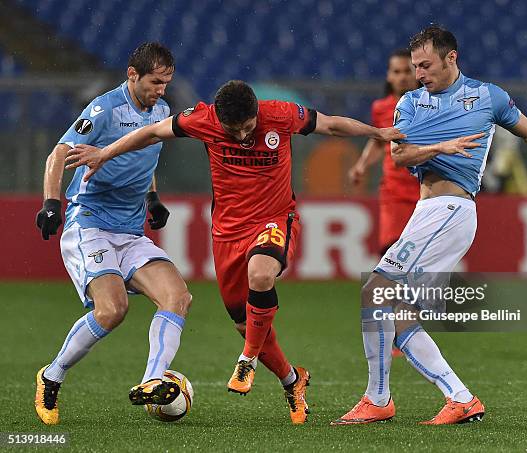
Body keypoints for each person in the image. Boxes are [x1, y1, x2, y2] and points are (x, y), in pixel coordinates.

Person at [64, 80, 480, 423]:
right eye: (235, 131)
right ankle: (291, 379)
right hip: (227, 232)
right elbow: (151, 133)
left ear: (256, 114)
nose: (243, 136)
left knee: (261, 276)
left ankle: (245, 361)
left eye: (248, 127)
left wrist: (377, 133)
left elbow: (332, 125)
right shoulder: (203, 120)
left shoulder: (280, 114)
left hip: (274, 218)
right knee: (246, 323)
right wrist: (104, 151)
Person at [332, 25, 527, 426]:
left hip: (452, 209)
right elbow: (399, 156)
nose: (419, 73)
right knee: (401, 311)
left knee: (376, 292)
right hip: (427, 212)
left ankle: (378, 399)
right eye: (414, 66)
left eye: (425, 65)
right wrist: (439, 148)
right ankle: (459, 398)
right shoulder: (409, 102)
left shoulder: (486, 97)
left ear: (451, 57)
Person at [34, 43, 192, 425]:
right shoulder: (104, 109)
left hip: (130, 229)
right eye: (156, 82)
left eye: (167, 83)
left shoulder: (161, 110)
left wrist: (153, 198)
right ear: (132, 74)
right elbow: (57, 154)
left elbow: (143, 154)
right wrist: (51, 203)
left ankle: (152, 379)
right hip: (91, 224)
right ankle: (51, 375)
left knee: (177, 296)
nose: (162, 90)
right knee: (112, 309)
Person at [348, 48, 421, 256]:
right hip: (394, 190)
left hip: (425, 190)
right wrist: (361, 165)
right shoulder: (381, 107)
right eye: (396, 72)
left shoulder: (431, 104)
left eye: (407, 71)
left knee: (421, 257)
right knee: (392, 253)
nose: (402, 77)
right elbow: (378, 142)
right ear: (389, 76)